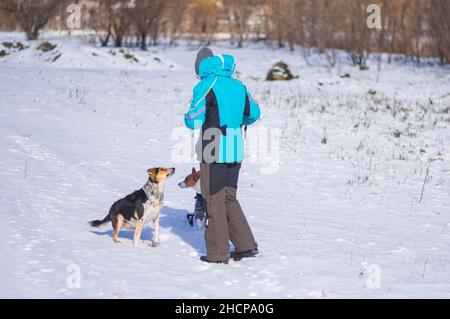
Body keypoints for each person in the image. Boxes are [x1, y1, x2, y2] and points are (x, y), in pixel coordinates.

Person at [184, 47, 261, 264]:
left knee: (214, 200)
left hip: (213, 150)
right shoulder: (239, 85)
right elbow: (254, 113)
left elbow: (194, 120)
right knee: (229, 197)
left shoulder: (205, 85)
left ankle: (218, 253)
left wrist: (188, 116)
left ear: (200, 67)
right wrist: (236, 123)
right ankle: (246, 245)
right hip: (236, 150)